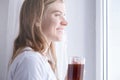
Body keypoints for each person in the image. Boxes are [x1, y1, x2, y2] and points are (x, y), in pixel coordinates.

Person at [7, 0, 68, 80]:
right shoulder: (31, 61)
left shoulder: (38, 60)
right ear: (36, 19)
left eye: (64, 15)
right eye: (57, 15)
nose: (65, 22)